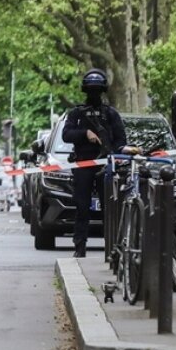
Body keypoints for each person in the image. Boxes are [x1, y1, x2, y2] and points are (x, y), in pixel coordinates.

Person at [61, 69, 127, 258]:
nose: (94, 94)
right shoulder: (76, 114)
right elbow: (66, 135)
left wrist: (120, 151)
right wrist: (85, 134)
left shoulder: (110, 114)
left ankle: (111, 250)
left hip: (106, 163)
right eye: (91, 90)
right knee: (82, 207)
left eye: (97, 90)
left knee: (109, 208)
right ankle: (80, 247)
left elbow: (120, 140)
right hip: (83, 164)